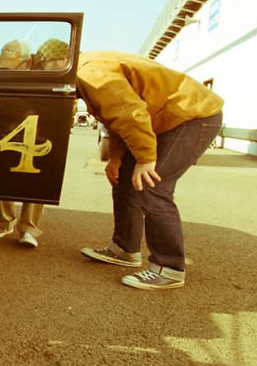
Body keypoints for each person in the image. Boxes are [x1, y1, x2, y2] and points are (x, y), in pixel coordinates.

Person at [76, 51, 224, 290]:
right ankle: (125, 249)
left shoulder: (91, 73)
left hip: (192, 117)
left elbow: (130, 114)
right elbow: (116, 119)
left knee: (152, 185)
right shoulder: (87, 68)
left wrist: (146, 159)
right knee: (124, 179)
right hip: (168, 118)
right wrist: (116, 158)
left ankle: (169, 267)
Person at [0, 39, 43, 248]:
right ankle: (4, 222)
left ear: (27, 63)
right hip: (2, 131)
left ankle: (29, 229)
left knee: (36, 180)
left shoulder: (42, 81)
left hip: (33, 134)